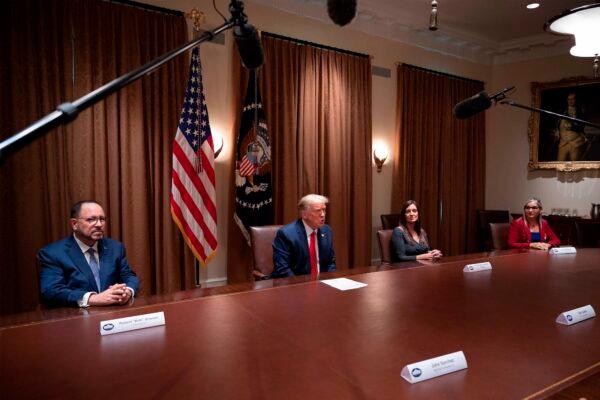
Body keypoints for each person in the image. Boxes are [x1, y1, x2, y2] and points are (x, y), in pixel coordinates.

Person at [38, 200, 140, 307]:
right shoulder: (52, 253)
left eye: (102, 219)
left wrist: (127, 292)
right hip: (75, 316)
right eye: (91, 220)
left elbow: (129, 276)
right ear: (74, 224)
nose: (99, 225)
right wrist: (92, 298)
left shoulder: (115, 247)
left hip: (112, 314)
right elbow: (51, 291)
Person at [272, 194, 336, 278]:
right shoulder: (286, 234)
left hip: (322, 284)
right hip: (295, 285)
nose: (323, 214)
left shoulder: (326, 230)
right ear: (304, 214)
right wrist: (302, 287)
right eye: (318, 211)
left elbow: (330, 263)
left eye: (324, 210)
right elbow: (283, 269)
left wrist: (328, 281)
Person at [555, 92, 587, 161]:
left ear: (576, 100)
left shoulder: (580, 111)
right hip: (563, 143)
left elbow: (581, 127)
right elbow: (557, 123)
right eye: (569, 99)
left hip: (575, 143)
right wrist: (557, 130)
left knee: (575, 166)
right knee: (559, 165)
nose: (570, 101)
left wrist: (572, 127)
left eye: (572, 99)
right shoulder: (562, 111)